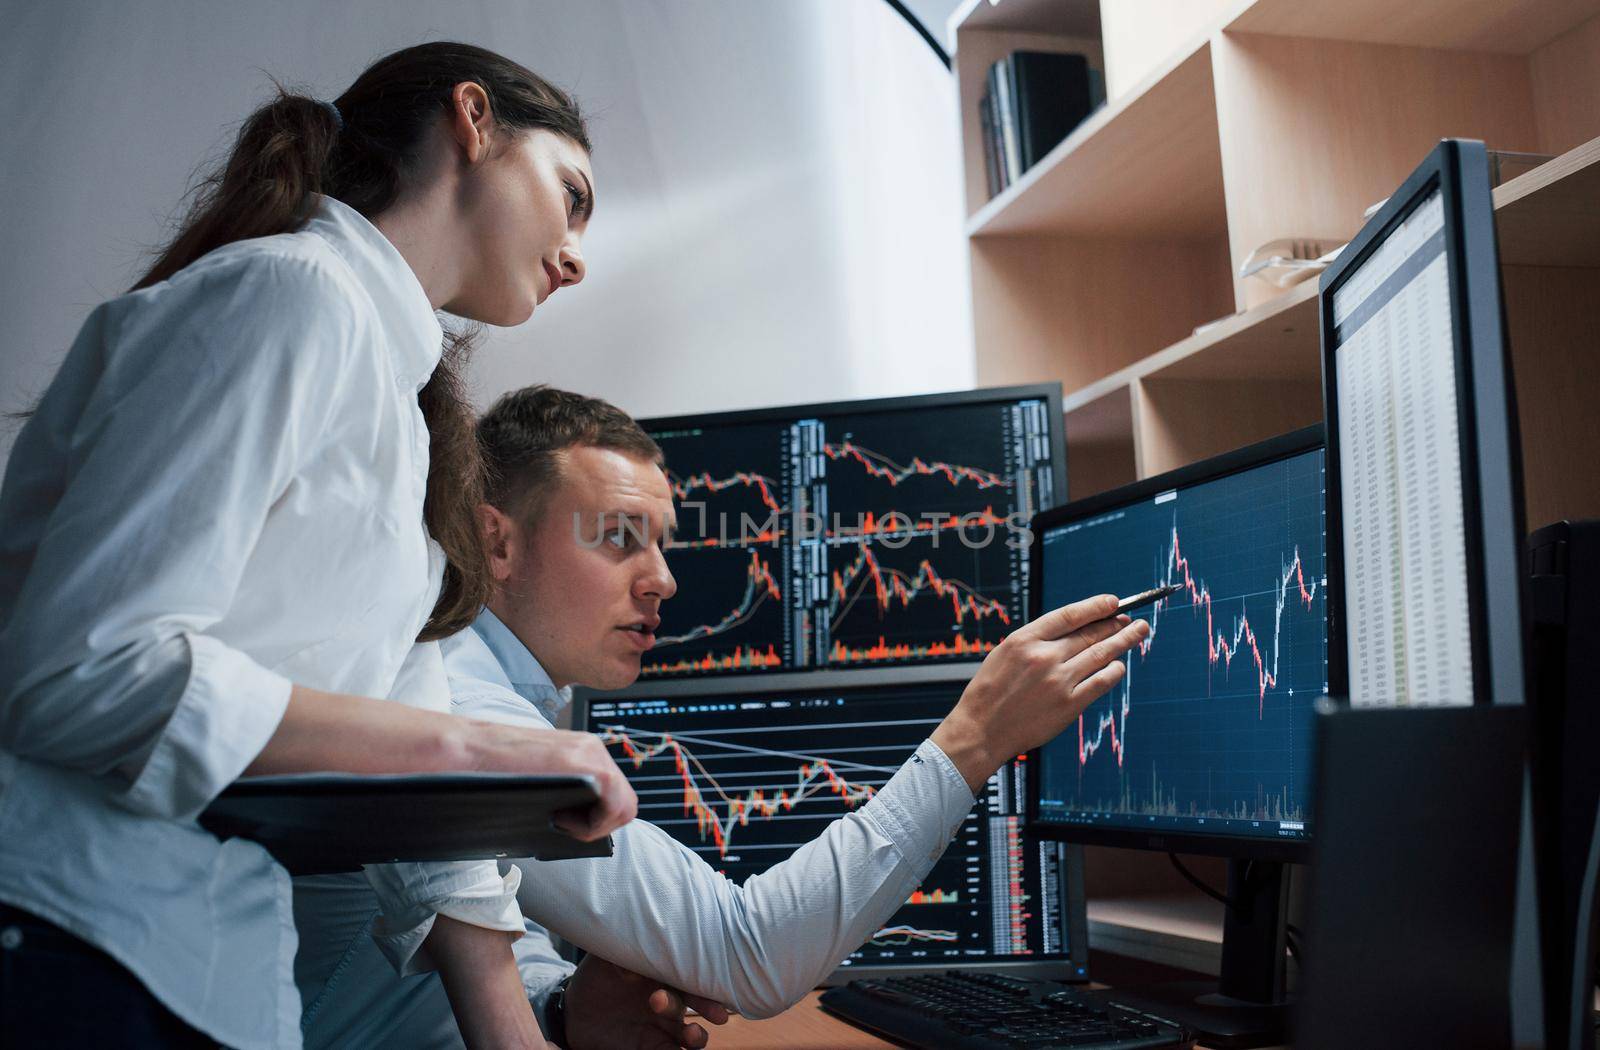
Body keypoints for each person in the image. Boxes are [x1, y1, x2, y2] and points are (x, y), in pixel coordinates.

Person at [0, 43, 641, 1050]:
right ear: (472, 123)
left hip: (205, 971)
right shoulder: (288, 296)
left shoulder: (401, 405)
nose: (575, 255)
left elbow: (405, 725)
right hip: (73, 940)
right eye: (571, 197)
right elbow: (83, 674)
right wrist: (484, 748)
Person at [295, 385, 1150, 1048]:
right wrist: (977, 738)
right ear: (497, 544)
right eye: (620, 537)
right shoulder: (468, 715)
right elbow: (750, 955)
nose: (663, 579)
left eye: (663, 543)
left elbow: (433, 944)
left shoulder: (479, 686)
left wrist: (562, 1007)